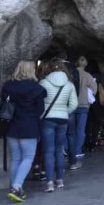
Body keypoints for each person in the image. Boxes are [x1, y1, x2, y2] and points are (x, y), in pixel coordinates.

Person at [1, 61, 46, 203]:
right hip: (29, 126)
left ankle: (15, 188)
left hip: (11, 126)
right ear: (31, 71)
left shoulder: (8, 86)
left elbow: (4, 104)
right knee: (28, 157)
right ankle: (17, 186)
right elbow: (40, 110)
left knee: (15, 158)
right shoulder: (37, 88)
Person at [39, 58, 78, 192]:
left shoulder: (43, 83)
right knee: (59, 149)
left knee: (48, 151)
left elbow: (39, 103)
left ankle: (49, 182)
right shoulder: (69, 84)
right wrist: (63, 112)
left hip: (47, 119)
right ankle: (60, 180)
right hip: (63, 119)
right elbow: (74, 104)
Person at [69, 56, 97, 169]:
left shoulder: (70, 74)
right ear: (86, 64)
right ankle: (77, 150)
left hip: (71, 104)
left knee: (70, 130)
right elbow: (94, 89)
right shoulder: (87, 75)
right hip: (83, 105)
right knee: (81, 129)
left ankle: (68, 149)